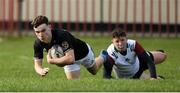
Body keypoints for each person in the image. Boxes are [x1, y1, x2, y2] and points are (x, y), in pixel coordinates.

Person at [31, 15, 107, 80]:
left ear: (49, 27)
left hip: (84, 53)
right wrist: (40, 70)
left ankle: (103, 57)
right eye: (37, 32)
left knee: (94, 70)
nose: (41, 35)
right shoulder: (38, 43)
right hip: (70, 62)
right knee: (74, 84)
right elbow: (37, 65)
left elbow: (70, 58)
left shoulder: (61, 35)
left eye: (43, 30)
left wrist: (52, 61)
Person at [103, 28, 167, 80]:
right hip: (132, 75)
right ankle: (147, 76)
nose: (120, 44)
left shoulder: (133, 44)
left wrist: (153, 77)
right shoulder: (110, 52)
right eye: (117, 41)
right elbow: (106, 76)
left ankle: (148, 53)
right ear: (112, 42)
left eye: (122, 40)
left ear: (126, 39)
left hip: (138, 64)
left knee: (163, 55)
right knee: (159, 79)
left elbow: (148, 60)